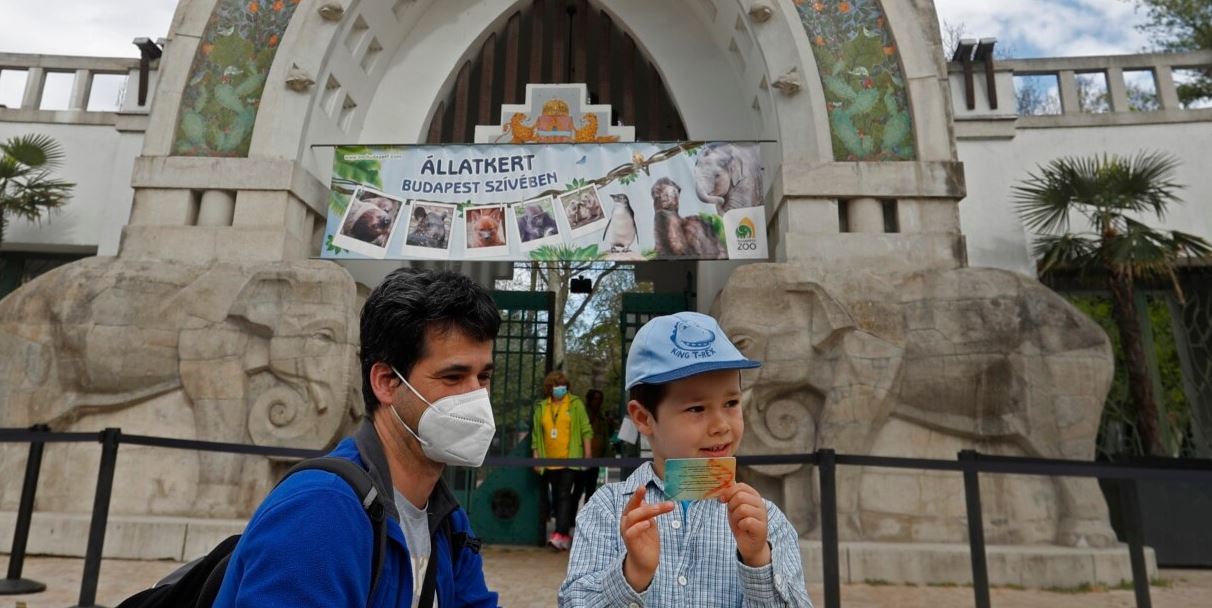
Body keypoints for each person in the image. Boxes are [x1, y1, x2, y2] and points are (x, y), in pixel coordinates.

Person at [214, 269, 501, 608]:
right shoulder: (318, 513)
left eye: (483, 376)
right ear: (385, 382)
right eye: (453, 377)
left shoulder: (449, 521)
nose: (476, 396)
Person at [559, 311, 813, 607]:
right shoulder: (607, 511)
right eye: (696, 408)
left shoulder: (766, 522)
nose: (721, 425)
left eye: (731, 403)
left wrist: (758, 560)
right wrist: (632, 574)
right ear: (643, 417)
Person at [531, 370, 593, 551]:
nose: (561, 389)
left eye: (563, 386)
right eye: (557, 386)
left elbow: (585, 429)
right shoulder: (542, 407)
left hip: (569, 459)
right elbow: (536, 435)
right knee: (553, 497)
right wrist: (536, 457)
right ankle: (556, 533)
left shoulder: (575, 404)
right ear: (550, 388)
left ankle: (561, 534)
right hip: (547, 461)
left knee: (564, 495)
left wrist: (587, 455)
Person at [572, 389, 614, 506]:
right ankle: (570, 519)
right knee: (578, 489)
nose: (598, 402)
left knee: (591, 489)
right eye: (596, 399)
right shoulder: (583, 414)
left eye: (600, 399)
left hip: (596, 458)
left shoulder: (601, 417)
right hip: (583, 457)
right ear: (589, 400)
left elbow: (606, 435)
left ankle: (587, 517)